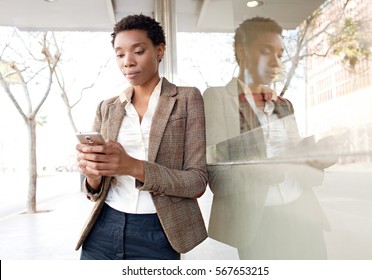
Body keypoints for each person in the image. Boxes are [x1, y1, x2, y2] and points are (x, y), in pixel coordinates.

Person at [75, 14, 208, 260]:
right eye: (120, 54)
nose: (128, 62)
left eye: (138, 51)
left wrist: (133, 167)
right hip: (104, 228)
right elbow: (93, 190)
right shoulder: (107, 107)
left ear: (159, 51)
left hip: (159, 231)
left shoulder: (187, 99)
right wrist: (92, 175)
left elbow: (197, 182)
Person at [204, 16, 331, 259]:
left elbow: (305, 171)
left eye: (280, 54)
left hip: (305, 218)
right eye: (266, 51)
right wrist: (281, 164)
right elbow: (219, 178)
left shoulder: (284, 105)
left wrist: (318, 158)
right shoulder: (217, 99)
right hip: (260, 225)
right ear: (242, 52)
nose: (276, 62)